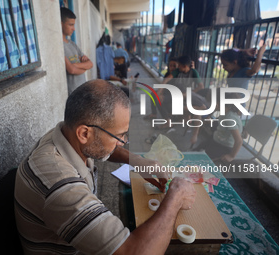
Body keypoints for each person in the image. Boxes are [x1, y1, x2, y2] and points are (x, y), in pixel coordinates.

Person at [14, 80, 196, 255]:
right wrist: (175, 199)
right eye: (119, 136)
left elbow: (99, 146)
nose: (123, 142)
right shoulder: (60, 185)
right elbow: (133, 252)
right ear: (84, 133)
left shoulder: (63, 135)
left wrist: (137, 161)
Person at [61, 7, 93, 95]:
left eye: (74, 25)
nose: (73, 29)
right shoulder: (59, 46)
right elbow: (71, 70)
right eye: (70, 25)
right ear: (61, 24)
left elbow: (90, 64)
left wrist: (75, 65)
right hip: (73, 94)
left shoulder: (72, 44)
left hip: (83, 89)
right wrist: (84, 68)